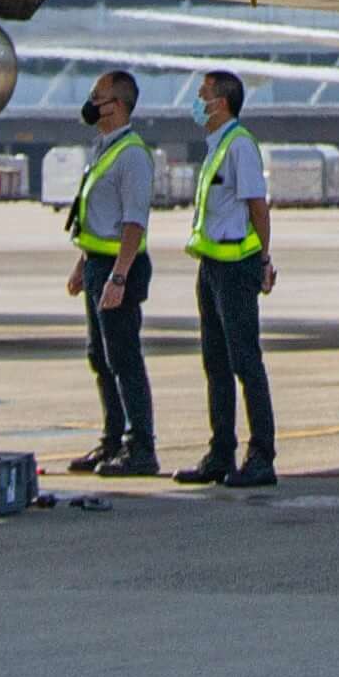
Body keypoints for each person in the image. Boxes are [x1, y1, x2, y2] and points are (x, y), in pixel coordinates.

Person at [176, 68, 277, 489]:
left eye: (203, 95)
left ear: (222, 103)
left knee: (245, 363)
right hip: (211, 267)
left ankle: (261, 456)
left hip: (236, 268)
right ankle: (220, 452)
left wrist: (264, 261)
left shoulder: (239, 146)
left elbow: (258, 207)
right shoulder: (216, 146)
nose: (197, 102)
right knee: (215, 363)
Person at [59, 70, 156, 477]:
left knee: (124, 359)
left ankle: (141, 447)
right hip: (99, 265)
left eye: (97, 96)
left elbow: (133, 224)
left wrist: (118, 277)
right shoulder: (103, 147)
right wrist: (84, 263)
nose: (90, 102)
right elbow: (100, 216)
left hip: (121, 268)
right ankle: (112, 439)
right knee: (100, 357)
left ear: (117, 105)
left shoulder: (132, 154)